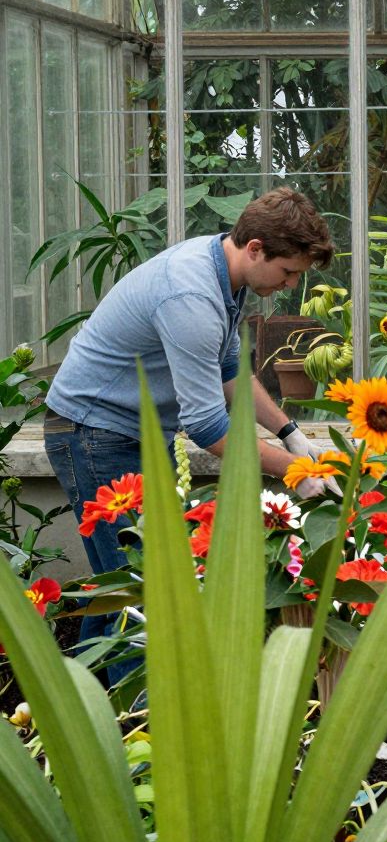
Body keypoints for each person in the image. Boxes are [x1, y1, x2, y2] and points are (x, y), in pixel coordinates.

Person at [43, 188, 336, 642]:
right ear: (255, 248)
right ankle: (133, 692)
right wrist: (296, 471)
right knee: (144, 596)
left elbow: (228, 372)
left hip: (128, 432)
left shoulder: (222, 272)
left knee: (123, 590)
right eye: (288, 272)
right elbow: (208, 427)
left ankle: (80, 687)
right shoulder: (191, 295)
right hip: (94, 433)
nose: (291, 285)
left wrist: (290, 433)